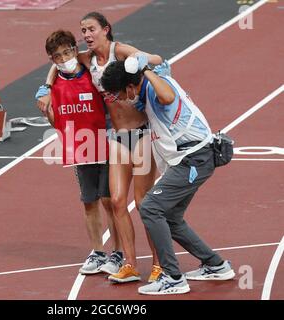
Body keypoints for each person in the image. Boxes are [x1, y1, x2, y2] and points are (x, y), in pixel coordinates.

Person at [36, 12, 170, 283]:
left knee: (144, 204)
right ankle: (130, 264)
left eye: (91, 29)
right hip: (116, 138)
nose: (86, 34)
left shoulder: (120, 51)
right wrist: (47, 87)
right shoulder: (84, 59)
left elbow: (156, 59)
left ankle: (160, 265)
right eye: (83, 29)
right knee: (117, 201)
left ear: (106, 29)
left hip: (141, 135)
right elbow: (55, 66)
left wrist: (146, 62)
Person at [101, 58, 235, 295]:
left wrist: (145, 70)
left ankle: (172, 277)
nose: (117, 100)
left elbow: (169, 97)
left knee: (151, 207)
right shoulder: (144, 88)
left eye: (118, 94)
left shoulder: (155, 86)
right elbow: (151, 59)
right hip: (189, 159)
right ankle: (216, 265)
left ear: (130, 87)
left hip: (195, 158)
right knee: (171, 217)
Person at [39, 29, 123, 275]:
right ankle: (98, 252)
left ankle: (117, 253)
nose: (64, 58)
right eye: (58, 56)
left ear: (75, 50)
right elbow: (58, 123)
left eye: (67, 52)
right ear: (52, 60)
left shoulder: (92, 72)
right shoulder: (51, 88)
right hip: (80, 148)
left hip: (106, 141)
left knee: (109, 200)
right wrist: (47, 108)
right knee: (89, 202)